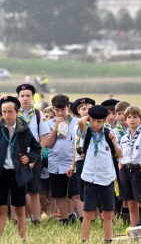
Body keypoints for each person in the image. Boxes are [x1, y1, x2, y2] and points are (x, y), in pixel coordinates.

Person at [77, 105, 121, 243]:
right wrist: (89, 117)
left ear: (104, 121)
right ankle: (85, 240)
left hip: (107, 178)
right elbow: (80, 122)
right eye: (93, 121)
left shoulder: (110, 133)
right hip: (90, 177)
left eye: (99, 121)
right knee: (88, 212)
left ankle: (108, 239)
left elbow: (119, 155)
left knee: (108, 212)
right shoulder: (86, 132)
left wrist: (114, 141)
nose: (96, 124)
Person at [0, 96, 42, 240]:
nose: (6, 115)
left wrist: (29, 158)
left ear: (17, 112)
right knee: (2, 208)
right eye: (4, 112)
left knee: (19, 208)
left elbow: (37, 148)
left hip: (18, 173)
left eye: (10, 111)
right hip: (2, 173)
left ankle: (22, 239)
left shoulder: (24, 129)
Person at [46, 94, 82, 224]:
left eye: (62, 109)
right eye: (57, 110)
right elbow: (48, 144)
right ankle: (64, 218)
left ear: (68, 107)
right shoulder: (49, 123)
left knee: (76, 194)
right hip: (55, 164)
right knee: (59, 194)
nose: (60, 113)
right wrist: (55, 126)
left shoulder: (77, 123)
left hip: (72, 163)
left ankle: (84, 218)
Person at [16, 83, 49, 225]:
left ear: (32, 97)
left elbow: (43, 138)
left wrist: (34, 158)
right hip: (17, 157)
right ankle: (20, 218)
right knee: (18, 188)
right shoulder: (13, 113)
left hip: (34, 156)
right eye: (22, 96)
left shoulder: (37, 114)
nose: (25, 99)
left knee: (34, 189)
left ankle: (36, 219)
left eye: (28, 96)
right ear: (18, 97)